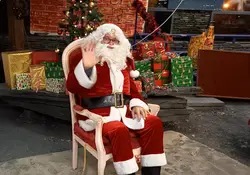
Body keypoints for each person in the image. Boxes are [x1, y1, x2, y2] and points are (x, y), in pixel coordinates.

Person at [66, 23, 167, 175]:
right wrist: (86, 67)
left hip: (124, 112)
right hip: (99, 115)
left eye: (115, 41)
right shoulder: (85, 58)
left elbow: (132, 90)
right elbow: (72, 87)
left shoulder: (122, 63)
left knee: (154, 123)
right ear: (98, 40)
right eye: (107, 39)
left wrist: (137, 104)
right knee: (118, 130)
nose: (111, 44)